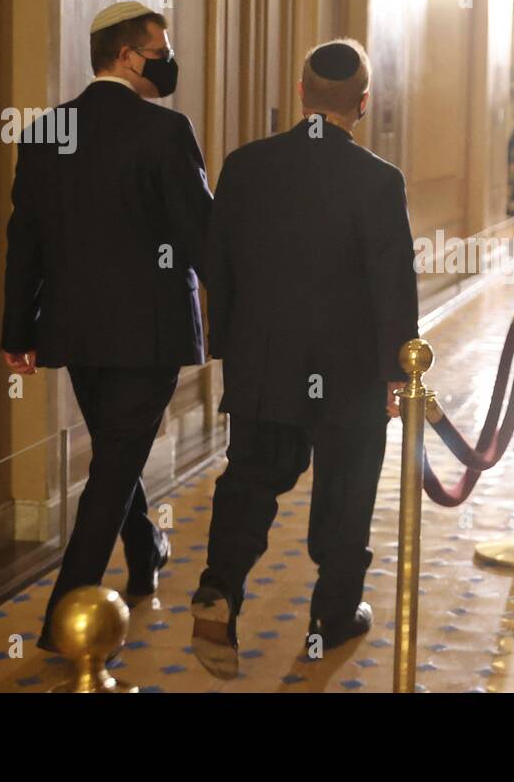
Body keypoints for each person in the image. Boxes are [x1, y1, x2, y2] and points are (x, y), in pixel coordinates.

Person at [190, 38, 419, 679]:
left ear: (300, 94)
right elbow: (392, 286)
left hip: (265, 362)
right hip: (348, 375)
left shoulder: (246, 166)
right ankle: (332, 614)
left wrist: (229, 346)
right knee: (346, 490)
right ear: (364, 104)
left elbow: (218, 264)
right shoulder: (379, 180)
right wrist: (398, 375)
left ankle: (219, 588)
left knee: (252, 478)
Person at [0, 1, 213, 651]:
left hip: (73, 331)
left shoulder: (45, 132)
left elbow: (24, 239)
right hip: (149, 337)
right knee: (115, 464)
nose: (168, 59)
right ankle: (63, 621)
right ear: (126, 56)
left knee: (117, 456)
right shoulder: (166, 133)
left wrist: (18, 332)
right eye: (160, 48)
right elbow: (202, 239)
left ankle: (144, 551)